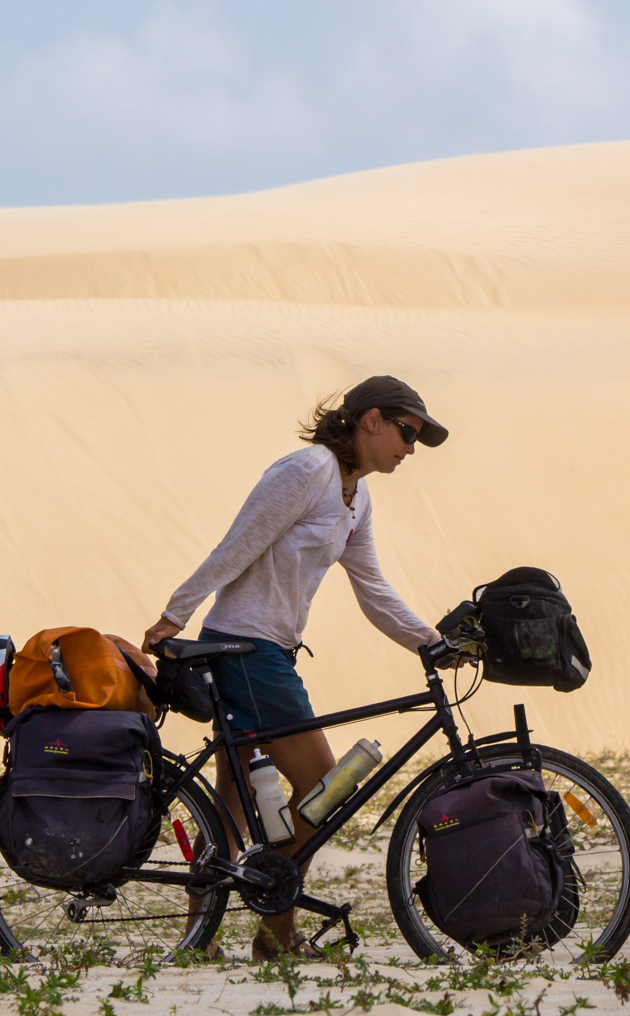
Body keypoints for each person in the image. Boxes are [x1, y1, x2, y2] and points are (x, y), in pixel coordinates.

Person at [143, 375, 449, 960]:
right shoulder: (307, 470)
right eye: (407, 433)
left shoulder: (355, 495)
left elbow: (372, 588)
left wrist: (428, 641)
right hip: (246, 649)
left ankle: (198, 940)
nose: (410, 448)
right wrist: (173, 614)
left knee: (229, 809)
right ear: (372, 421)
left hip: (268, 652)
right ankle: (276, 935)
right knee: (323, 789)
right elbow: (238, 545)